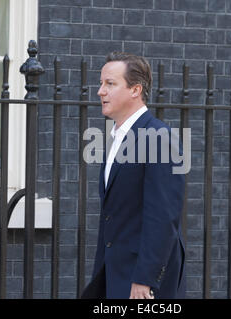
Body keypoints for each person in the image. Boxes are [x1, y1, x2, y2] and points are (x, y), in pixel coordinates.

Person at [81, 52, 186, 299]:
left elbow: (163, 216)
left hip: (141, 284)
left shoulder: (160, 137)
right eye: (101, 83)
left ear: (135, 90)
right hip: (113, 275)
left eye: (110, 83)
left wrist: (145, 279)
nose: (100, 91)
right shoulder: (117, 137)